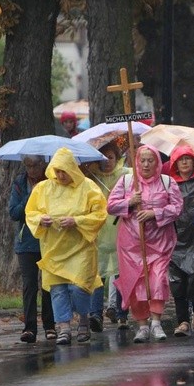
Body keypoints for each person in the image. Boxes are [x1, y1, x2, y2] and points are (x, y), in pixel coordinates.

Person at [25, 147, 108, 345]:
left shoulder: (88, 188)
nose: (60, 175)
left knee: (80, 287)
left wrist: (77, 221)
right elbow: (31, 212)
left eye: (64, 171)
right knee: (58, 289)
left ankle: (84, 319)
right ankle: (63, 326)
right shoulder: (43, 188)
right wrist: (40, 219)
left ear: (72, 169)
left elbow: (100, 214)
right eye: (57, 171)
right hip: (53, 248)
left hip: (81, 248)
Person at [107, 145, 183, 343]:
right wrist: (130, 202)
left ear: (157, 162)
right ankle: (142, 325)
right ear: (137, 162)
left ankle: (156, 322)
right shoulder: (126, 182)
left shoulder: (167, 182)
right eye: (143, 160)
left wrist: (155, 213)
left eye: (151, 160)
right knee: (135, 284)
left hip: (160, 243)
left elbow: (176, 207)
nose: (147, 164)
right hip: (131, 244)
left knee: (158, 280)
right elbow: (111, 206)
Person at [8, 155, 55, 343]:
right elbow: (14, 212)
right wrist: (31, 195)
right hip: (26, 242)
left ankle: (50, 325)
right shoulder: (20, 183)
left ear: (43, 164)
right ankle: (29, 327)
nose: (31, 170)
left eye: (35, 165)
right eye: (27, 166)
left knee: (48, 284)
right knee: (29, 286)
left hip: (48, 240)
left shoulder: (51, 181)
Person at [85, 142, 131, 332]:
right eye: (102, 158)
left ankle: (122, 314)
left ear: (117, 157)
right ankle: (96, 314)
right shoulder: (91, 178)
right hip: (99, 231)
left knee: (121, 273)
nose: (106, 162)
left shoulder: (126, 176)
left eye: (110, 157)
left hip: (121, 229)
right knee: (98, 274)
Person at [168, 145, 194, 337]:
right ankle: (182, 321)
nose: (184, 162)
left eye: (188, 158)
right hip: (175, 238)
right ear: (175, 163)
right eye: (180, 159)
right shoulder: (168, 184)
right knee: (178, 282)